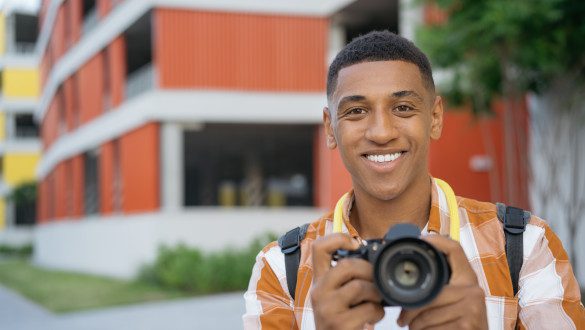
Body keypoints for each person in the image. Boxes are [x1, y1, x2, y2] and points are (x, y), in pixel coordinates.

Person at [243, 30, 584, 329]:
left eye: (403, 108)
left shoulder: (524, 246)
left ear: (435, 117)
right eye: (356, 111)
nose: (381, 132)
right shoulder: (282, 267)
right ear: (330, 128)